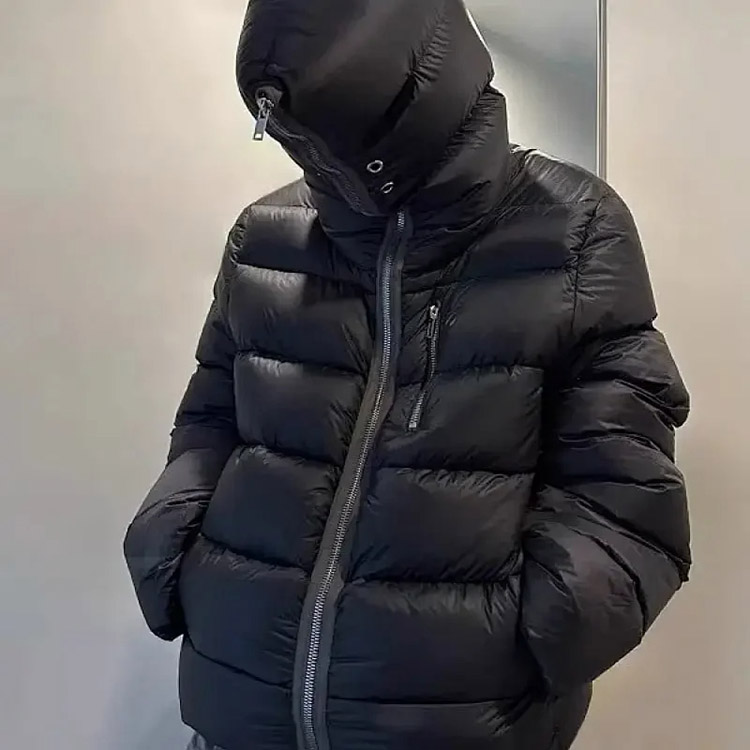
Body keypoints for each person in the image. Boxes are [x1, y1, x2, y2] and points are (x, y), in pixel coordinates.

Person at [124, 1, 691, 749]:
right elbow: (208, 423)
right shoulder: (263, 240)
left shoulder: (575, 230)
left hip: (460, 724)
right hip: (237, 711)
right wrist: (173, 556)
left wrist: (532, 636)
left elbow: (623, 491)